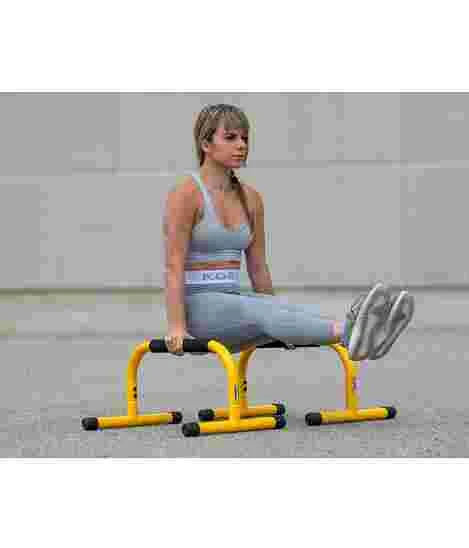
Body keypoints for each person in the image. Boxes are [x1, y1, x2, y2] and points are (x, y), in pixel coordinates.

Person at [163, 103, 414, 360]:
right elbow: (173, 265)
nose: (241, 145)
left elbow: (258, 267)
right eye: (231, 138)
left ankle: (365, 334)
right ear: (206, 144)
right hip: (198, 310)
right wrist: (176, 328)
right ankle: (352, 331)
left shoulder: (250, 198)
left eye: (245, 138)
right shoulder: (186, 195)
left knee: (284, 308)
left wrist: (281, 323)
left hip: (235, 304)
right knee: (263, 311)